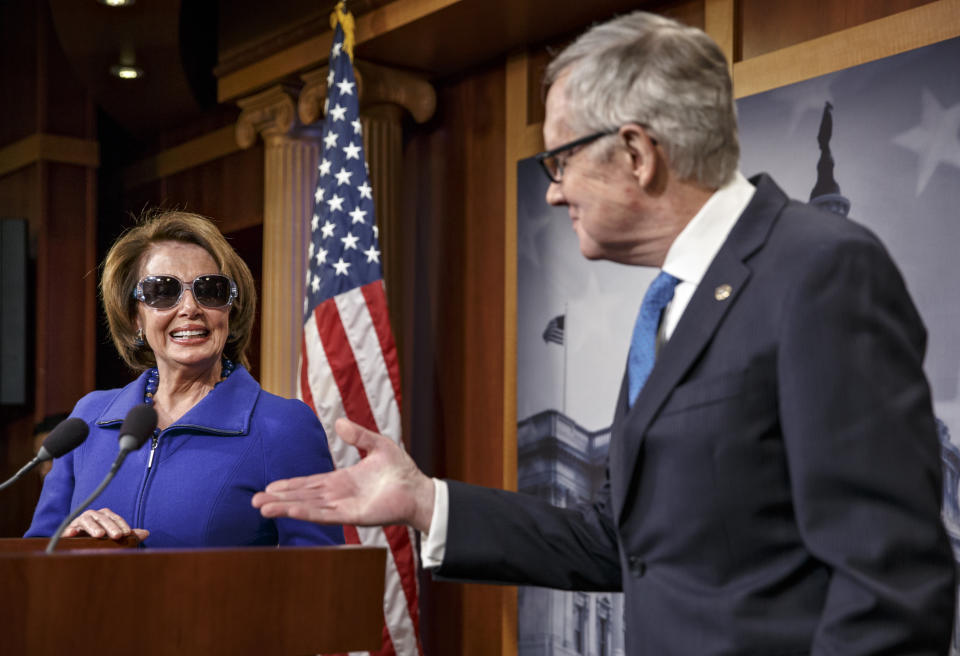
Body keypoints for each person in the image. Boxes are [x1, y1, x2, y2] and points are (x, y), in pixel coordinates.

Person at [253, 11, 957, 654]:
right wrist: (424, 500)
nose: (554, 189)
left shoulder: (821, 270)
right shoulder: (668, 305)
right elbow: (618, 541)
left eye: (560, 159)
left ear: (636, 152)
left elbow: (889, 584)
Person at [27, 210, 344, 548]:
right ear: (134, 316)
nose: (190, 307)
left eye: (211, 290)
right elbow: (36, 557)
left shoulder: (281, 427)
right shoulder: (89, 418)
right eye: (162, 291)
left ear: (230, 310)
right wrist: (71, 534)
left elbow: (320, 578)